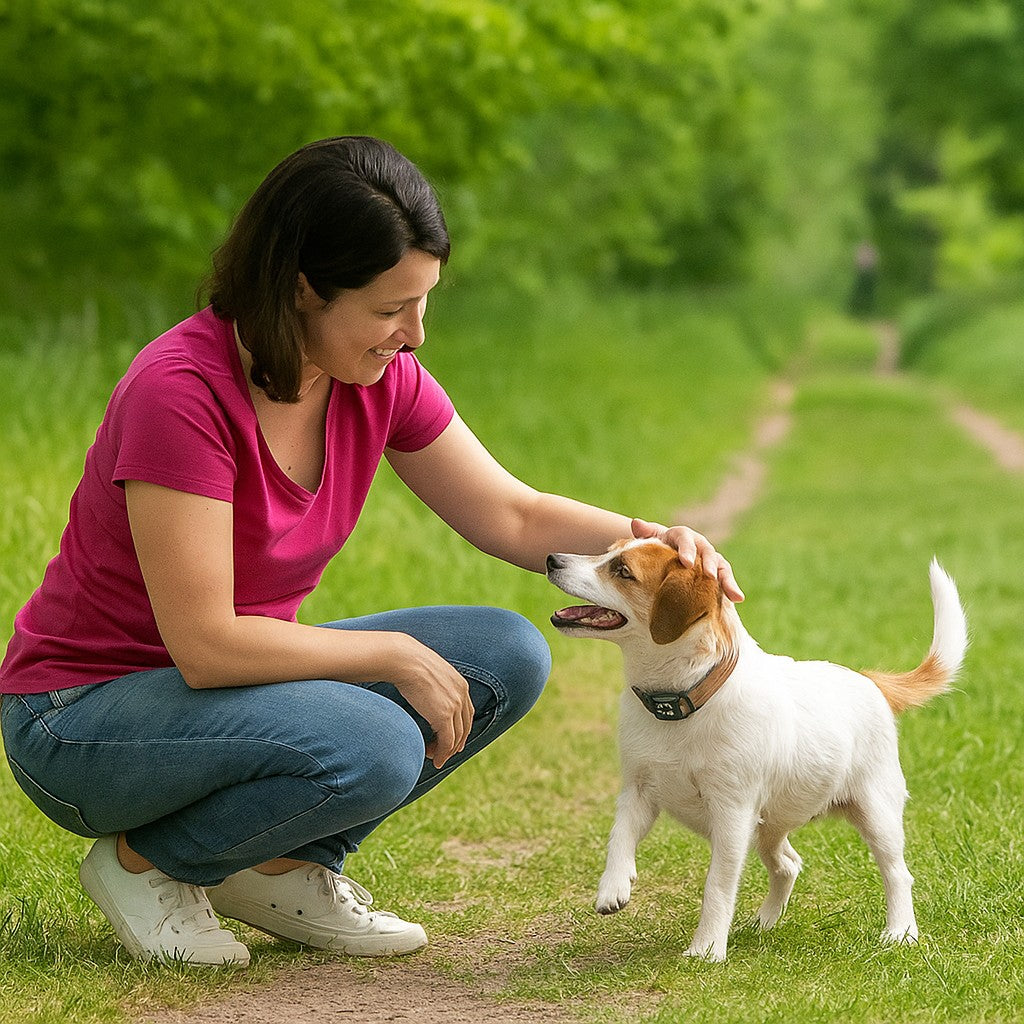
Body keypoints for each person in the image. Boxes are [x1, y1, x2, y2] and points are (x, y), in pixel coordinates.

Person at [0, 136, 743, 967]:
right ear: (302, 290)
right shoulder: (181, 393)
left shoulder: (375, 378)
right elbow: (205, 646)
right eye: (392, 308)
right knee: (377, 738)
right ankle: (145, 865)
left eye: (423, 302)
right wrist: (390, 654)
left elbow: (516, 515)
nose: (415, 333)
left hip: (220, 690)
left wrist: (661, 539)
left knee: (506, 654)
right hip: (82, 717)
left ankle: (278, 865)